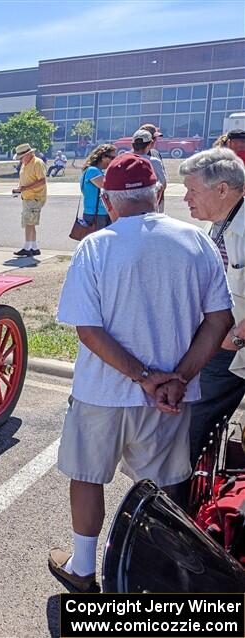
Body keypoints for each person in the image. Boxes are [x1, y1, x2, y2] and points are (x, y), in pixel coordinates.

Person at [48, 153, 233, 592]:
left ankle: (82, 568)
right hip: (170, 398)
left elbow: (88, 330)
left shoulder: (97, 245)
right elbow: (219, 320)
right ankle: (158, 576)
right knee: (164, 487)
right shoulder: (196, 241)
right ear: (160, 195)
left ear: (109, 200)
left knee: (88, 476)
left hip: (103, 392)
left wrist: (142, 376)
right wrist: (177, 378)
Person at [180, 148, 245, 464]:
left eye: (193, 190)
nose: (185, 198)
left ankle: (176, 497)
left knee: (194, 419)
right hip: (220, 339)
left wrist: (235, 338)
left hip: (232, 344)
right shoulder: (223, 220)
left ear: (222, 189)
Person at [11, 143, 47, 257]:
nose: (21, 160)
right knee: (31, 223)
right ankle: (34, 247)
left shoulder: (37, 163)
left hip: (35, 197)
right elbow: (25, 180)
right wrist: (19, 189)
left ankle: (27, 248)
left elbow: (42, 181)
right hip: (28, 197)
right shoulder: (25, 164)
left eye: (22, 157)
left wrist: (25, 188)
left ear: (30, 154)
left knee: (28, 222)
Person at [78, 144, 116, 229]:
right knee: (100, 241)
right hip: (96, 214)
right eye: (112, 158)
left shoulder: (98, 171)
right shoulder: (93, 170)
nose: (114, 161)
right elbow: (107, 186)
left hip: (100, 213)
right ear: (103, 157)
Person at [131, 129, 167, 213]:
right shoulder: (154, 161)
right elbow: (163, 183)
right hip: (149, 203)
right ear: (149, 144)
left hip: (129, 204)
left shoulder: (123, 159)